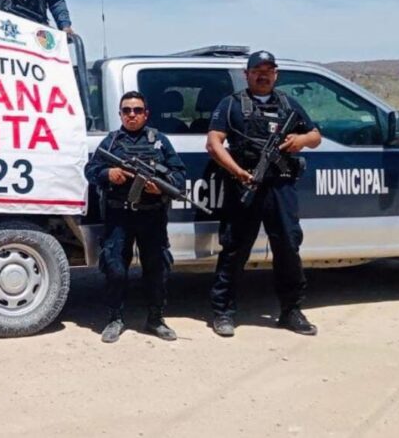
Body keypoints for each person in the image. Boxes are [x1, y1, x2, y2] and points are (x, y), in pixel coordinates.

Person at [206, 50, 322, 337]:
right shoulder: (231, 104)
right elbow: (214, 142)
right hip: (245, 184)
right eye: (257, 69)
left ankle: (291, 310)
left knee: (288, 247)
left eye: (268, 70)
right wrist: (237, 171)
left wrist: (301, 139)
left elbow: (316, 136)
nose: (263, 74)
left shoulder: (287, 103)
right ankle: (223, 312)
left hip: (281, 186)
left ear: (276, 74)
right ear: (247, 74)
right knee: (235, 248)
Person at [85, 91, 186, 343]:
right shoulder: (110, 142)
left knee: (157, 268)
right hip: (119, 215)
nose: (132, 114)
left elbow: (179, 176)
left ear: (146, 113)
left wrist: (160, 186)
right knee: (116, 268)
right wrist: (108, 173)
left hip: (152, 217)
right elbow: (91, 169)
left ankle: (155, 319)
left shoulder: (159, 141)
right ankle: (115, 318)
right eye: (127, 110)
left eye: (137, 110)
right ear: (120, 114)